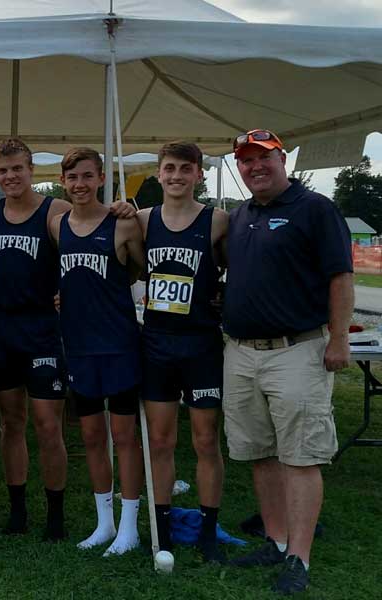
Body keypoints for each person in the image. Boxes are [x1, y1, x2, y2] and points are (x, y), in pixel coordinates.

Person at [223, 130, 352, 595]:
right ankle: (276, 541)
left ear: (282, 160)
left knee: (300, 456)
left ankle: (299, 556)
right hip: (240, 352)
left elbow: (340, 278)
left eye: (264, 158)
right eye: (246, 161)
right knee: (259, 452)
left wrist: (339, 340)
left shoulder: (315, 209)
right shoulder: (239, 217)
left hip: (296, 350)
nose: (255, 167)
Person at [48, 147, 144, 556]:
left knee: (124, 436)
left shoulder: (122, 224)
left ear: (101, 178)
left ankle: (129, 525)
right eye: (72, 178)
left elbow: (139, 268)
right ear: (63, 181)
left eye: (87, 176)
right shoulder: (57, 226)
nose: (80, 184)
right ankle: (104, 522)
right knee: (90, 435)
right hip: (79, 345)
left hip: (118, 343)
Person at [136, 141, 227, 562]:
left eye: (184, 169)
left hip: (201, 345)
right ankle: (163, 525)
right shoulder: (141, 220)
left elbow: (234, 272)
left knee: (206, 440)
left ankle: (209, 530)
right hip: (156, 343)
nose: (175, 176)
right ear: (158, 173)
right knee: (160, 440)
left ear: (199, 174)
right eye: (169, 168)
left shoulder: (217, 221)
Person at [0, 138, 71, 540]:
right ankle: (18, 509)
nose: (10, 177)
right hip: (1, 326)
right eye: (2, 171)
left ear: (32, 170)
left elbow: (91, 237)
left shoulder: (56, 211)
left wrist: (123, 209)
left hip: (42, 330)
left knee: (49, 425)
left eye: (17, 169)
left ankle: (55, 513)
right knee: (11, 423)